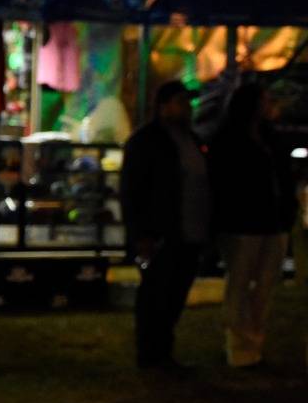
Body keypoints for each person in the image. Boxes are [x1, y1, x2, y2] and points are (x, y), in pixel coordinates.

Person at [120, 80, 210, 370]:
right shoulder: (146, 142)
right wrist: (141, 234)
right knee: (156, 294)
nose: (187, 108)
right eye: (181, 102)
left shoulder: (191, 140)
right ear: (164, 106)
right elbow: (132, 190)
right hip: (162, 232)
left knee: (175, 294)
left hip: (188, 230)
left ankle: (162, 350)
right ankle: (151, 352)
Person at [208, 81, 295, 367]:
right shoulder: (230, 140)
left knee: (263, 285)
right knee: (241, 282)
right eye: (264, 100)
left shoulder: (269, 137)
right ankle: (240, 345)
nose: (269, 106)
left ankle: (252, 343)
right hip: (243, 222)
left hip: (270, 221)